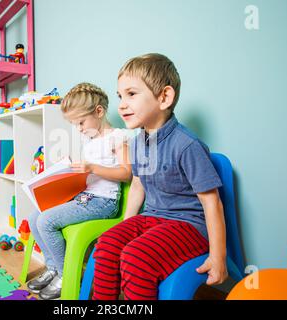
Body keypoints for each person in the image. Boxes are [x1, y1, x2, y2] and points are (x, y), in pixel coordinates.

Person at [92, 53, 228, 300]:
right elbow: (137, 186)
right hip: (152, 218)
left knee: (135, 257)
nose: (122, 104)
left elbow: (212, 203)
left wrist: (218, 257)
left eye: (131, 94)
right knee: (107, 244)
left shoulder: (186, 145)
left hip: (189, 226)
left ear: (164, 97)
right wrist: (126, 225)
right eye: (120, 96)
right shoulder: (136, 144)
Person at [26, 82, 132, 300]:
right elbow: (88, 172)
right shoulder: (90, 139)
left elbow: (126, 173)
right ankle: (53, 267)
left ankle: (66, 276)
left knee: (46, 221)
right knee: (35, 215)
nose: (79, 129)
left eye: (81, 122)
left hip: (104, 202)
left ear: (99, 112)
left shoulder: (117, 137)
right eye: (75, 125)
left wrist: (92, 168)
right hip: (85, 197)